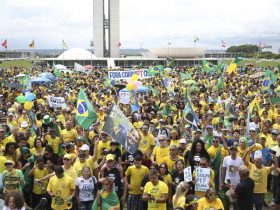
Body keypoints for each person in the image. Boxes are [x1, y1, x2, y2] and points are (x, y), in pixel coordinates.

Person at [221, 145, 244, 210]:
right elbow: (223, 170)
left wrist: (242, 183)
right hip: (227, 183)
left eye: (234, 150)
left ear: (236, 151)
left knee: (236, 202)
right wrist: (222, 182)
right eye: (231, 150)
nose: (232, 151)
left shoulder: (240, 160)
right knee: (227, 201)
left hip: (237, 184)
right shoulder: (226, 159)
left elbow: (242, 171)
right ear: (229, 151)